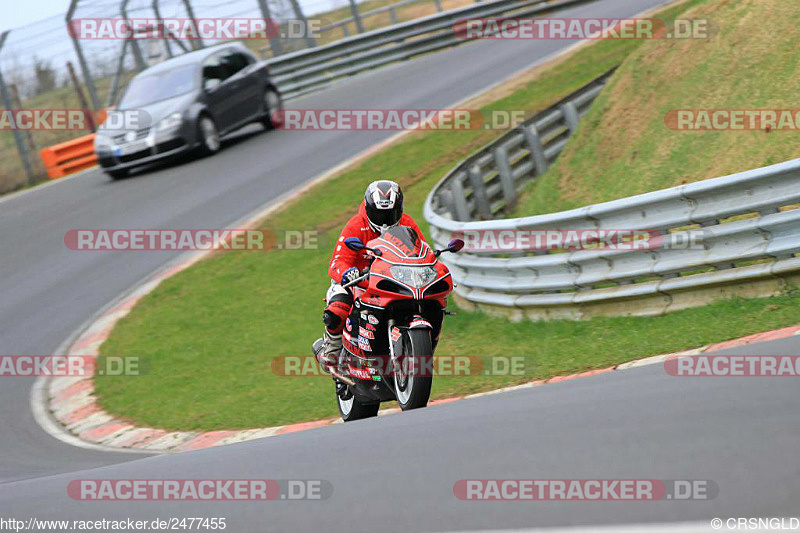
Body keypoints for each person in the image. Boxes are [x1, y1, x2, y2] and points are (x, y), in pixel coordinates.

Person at [315, 180, 426, 370]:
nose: (384, 220)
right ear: (368, 208)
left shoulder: (407, 223)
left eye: (389, 214)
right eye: (379, 213)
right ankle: (332, 347)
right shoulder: (356, 225)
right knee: (337, 309)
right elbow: (336, 262)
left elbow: (423, 250)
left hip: (393, 280)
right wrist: (347, 273)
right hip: (357, 282)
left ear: (399, 209)